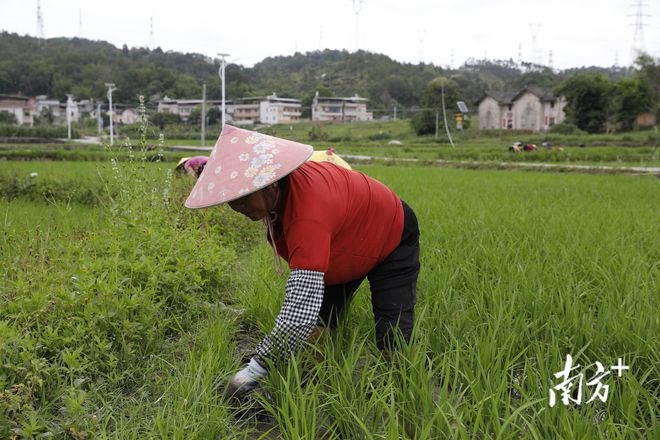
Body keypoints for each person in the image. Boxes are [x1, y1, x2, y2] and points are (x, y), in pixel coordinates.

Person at [185, 125, 420, 396]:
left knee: (392, 328)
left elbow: (298, 315)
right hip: (343, 244)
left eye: (243, 198)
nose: (238, 208)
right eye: (232, 201)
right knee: (320, 323)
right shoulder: (280, 198)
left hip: (392, 230)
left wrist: (253, 371)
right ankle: (308, 391)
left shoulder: (308, 213)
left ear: (269, 183)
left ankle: (404, 395)